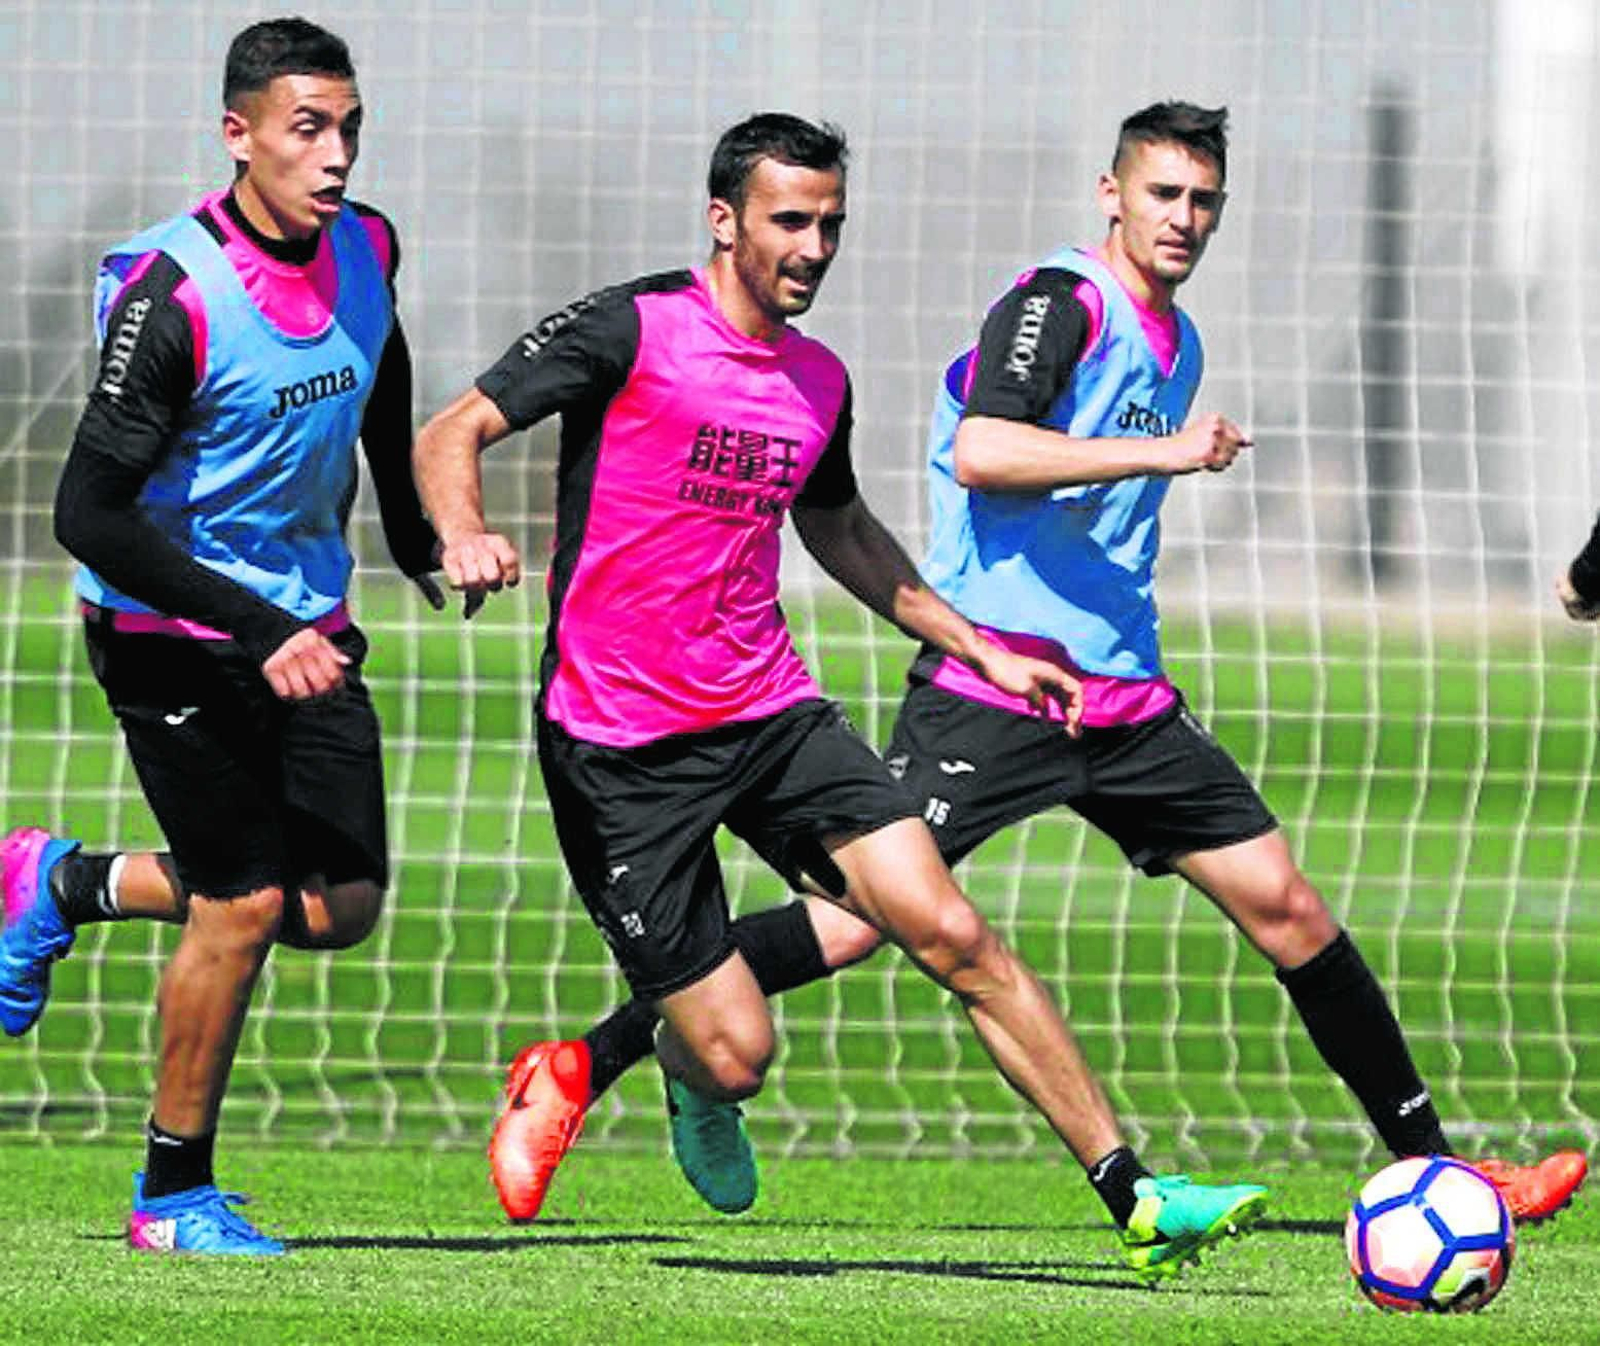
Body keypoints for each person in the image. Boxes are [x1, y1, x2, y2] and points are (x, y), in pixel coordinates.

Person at [495, 102, 1588, 1228]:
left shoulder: (1180, 337)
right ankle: (590, 1059)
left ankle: (1443, 1175)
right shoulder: (1055, 304)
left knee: (1291, 908)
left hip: (1122, 695)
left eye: (1203, 200)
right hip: (992, 692)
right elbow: (982, 447)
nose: (1184, 219)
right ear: (1111, 194)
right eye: (1163, 194)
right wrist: (1165, 451)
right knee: (858, 921)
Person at [413, 111, 1267, 1281]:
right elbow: (451, 428)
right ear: (725, 221)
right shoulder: (631, 328)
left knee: (949, 928)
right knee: (737, 1051)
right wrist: (464, 529)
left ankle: (1135, 1190)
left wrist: (983, 647)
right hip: (619, 746)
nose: (814, 246)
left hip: (771, 715)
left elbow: (844, 532)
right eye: (790, 221)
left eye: (830, 224)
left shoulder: (819, 379)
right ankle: (682, 1068)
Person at [0, 18, 442, 1255]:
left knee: (342, 902)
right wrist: (255, 628)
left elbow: (383, 356)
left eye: (350, 125)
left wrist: (409, 529)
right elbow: (85, 513)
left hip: (307, 620)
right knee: (242, 903)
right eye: (309, 127)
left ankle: (60, 881)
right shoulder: (174, 293)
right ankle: (171, 1193)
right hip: (165, 630)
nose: (338, 152)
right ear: (238, 133)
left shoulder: (368, 245)